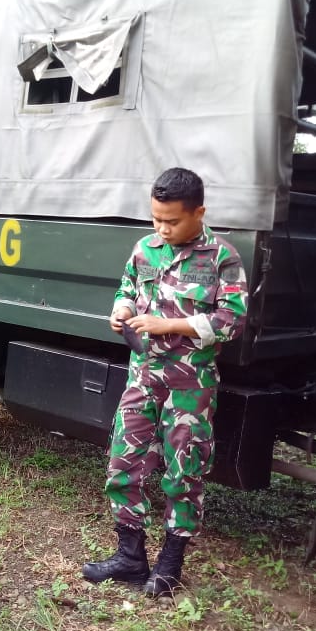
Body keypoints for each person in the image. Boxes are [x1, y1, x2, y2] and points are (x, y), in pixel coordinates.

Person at [82, 167, 248, 598]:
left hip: (189, 385)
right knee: (123, 463)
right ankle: (130, 557)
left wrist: (167, 323)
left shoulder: (221, 258)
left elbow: (231, 323)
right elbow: (127, 288)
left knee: (183, 471)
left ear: (199, 213)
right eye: (156, 218)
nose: (162, 228)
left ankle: (170, 565)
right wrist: (120, 310)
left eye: (171, 221)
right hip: (143, 377)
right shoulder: (145, 249)